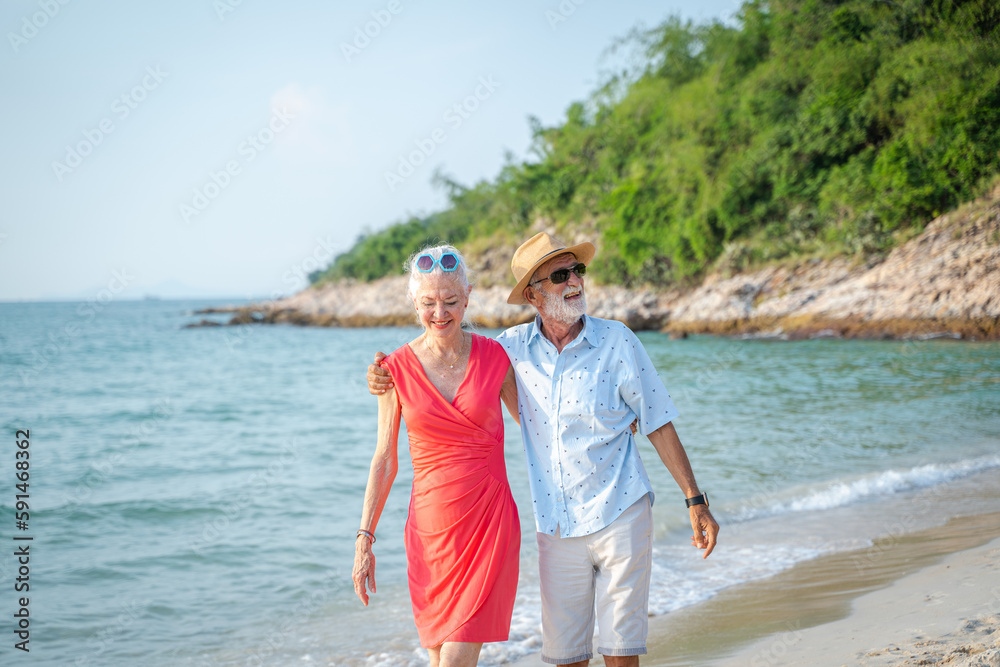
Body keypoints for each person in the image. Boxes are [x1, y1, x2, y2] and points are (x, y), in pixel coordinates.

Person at [369, 232, 719, 667]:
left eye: (577, 270)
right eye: (559, 275)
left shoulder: (618, 341)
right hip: (555, 524)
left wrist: (695, 498)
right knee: (567, 659)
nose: (574, 281)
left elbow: (658, 421)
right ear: (533, 294)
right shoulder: (508, 350)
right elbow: (451, 364)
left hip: (621, 510)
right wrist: (383, 376)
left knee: (621, 655)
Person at [352, 245, 522, 667]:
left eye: (450, 301)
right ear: (415, 303)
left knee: (454, 661)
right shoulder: (393, 369)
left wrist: (606, 421)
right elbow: (384, 461)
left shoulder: (495, 357)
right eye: (429, 303)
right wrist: (364, 539)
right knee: (437, 659)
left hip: (488, 525)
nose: (440, 313)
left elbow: (540, 427)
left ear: (467, 298)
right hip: (429, 537)